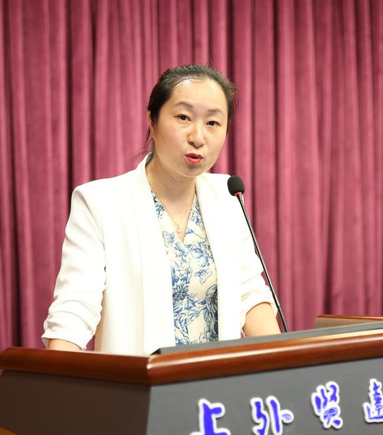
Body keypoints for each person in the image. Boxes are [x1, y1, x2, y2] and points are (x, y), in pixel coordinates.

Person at [43, 65, 280, 355]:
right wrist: (57, 372)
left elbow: (249, 294)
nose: (198, 137)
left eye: (213, 123)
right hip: (141, 380)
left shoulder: (227, 196)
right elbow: (75, 309)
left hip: (218, 380)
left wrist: (285, 365)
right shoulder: (100, 202)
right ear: (152, 122)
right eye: (184, 117)